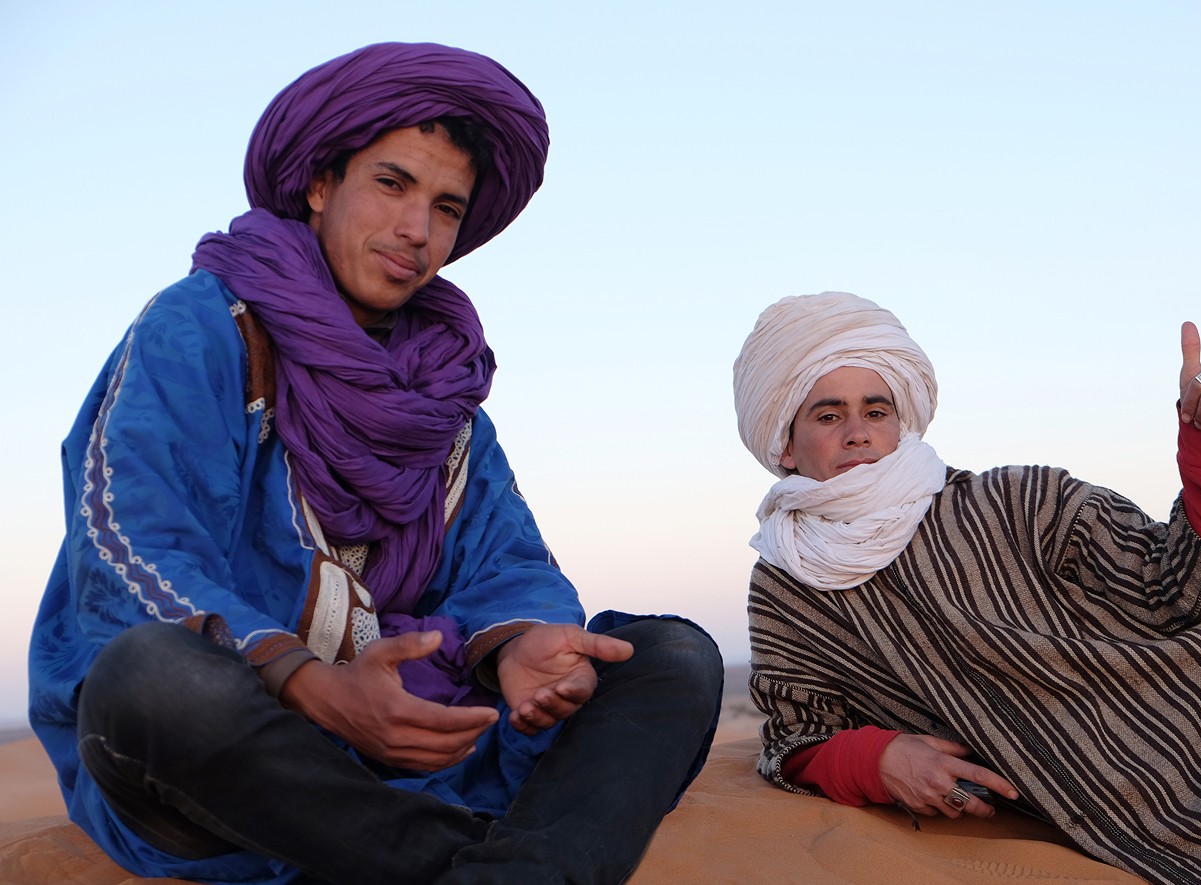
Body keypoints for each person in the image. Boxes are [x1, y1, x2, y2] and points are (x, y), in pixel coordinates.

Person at [28, 42, 721, 885]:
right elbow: (126, 543)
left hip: (427, 751)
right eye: (391, 184)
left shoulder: (447, 396)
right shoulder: (203, 328)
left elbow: (508, 564)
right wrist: (314, 686)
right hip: (242, 766)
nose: (416, 230)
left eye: (446, 207)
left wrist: (523, 648)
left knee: (671, 658)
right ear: (321, 185)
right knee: (153, 681)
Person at [731, 291, 1201, 885]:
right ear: (785, 442)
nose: (859, 433)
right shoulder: (790, 585)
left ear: (901, 421)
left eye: (877, 410)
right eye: (829, 415)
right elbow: (797, 737)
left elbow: (1194, 589)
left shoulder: (1019, 499)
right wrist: (878, 760)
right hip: (1153, 813)